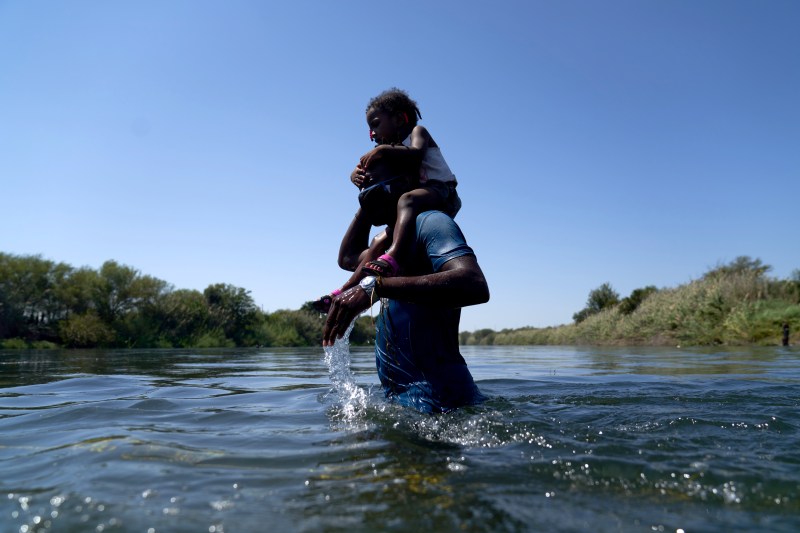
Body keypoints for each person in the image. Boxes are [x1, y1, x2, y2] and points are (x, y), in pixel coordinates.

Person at [322, 195, 489, 414]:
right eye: (361, 185)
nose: (365, 185)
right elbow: (348, 258)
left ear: (407, 180)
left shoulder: (431, 223)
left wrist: (377, 286)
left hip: (442, 397)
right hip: (404, 400)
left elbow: (473, 284)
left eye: (375, 175)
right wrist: (366, 204)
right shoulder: (387, 242)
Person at [312, 89, 461, 313]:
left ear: (400, 119)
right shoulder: (394, 156)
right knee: (379, 241)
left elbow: (415, 154)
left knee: (407, 201)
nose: (372, 134)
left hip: (442, 192)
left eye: (375, 124)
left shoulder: (417, 133)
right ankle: (345, 289)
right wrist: (356, 175)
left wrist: (382, 150)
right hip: (419, 199)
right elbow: (346, 258)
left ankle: (393, 257)